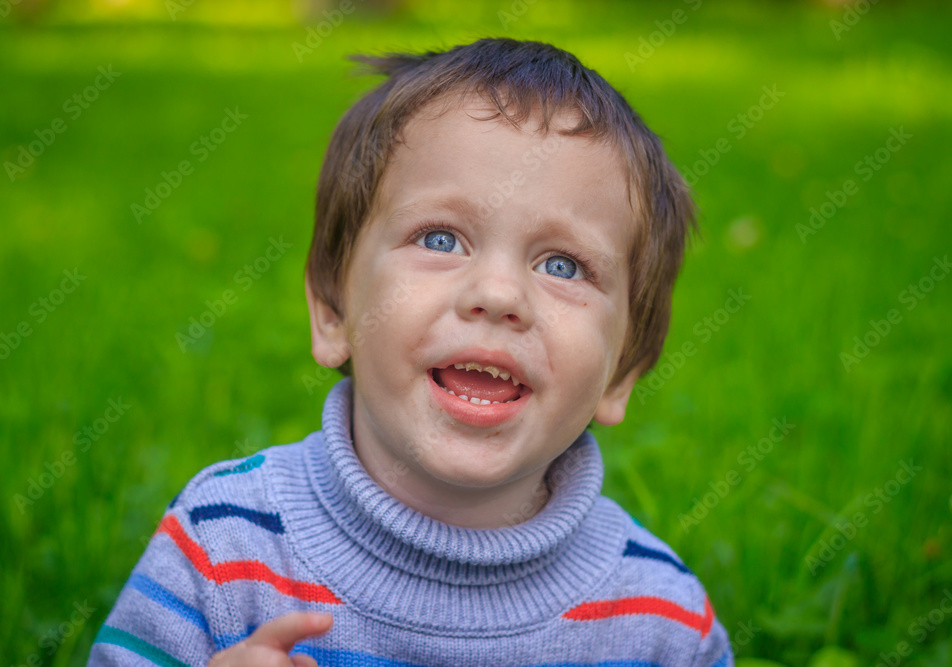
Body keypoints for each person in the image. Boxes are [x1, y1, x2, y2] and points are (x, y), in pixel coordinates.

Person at [90, 37, 733, 667]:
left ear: (621, 374)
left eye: (563, 265)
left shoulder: (662, 624)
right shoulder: (221, 545)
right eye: (441, 239)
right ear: (334, 310)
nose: (498, 294)